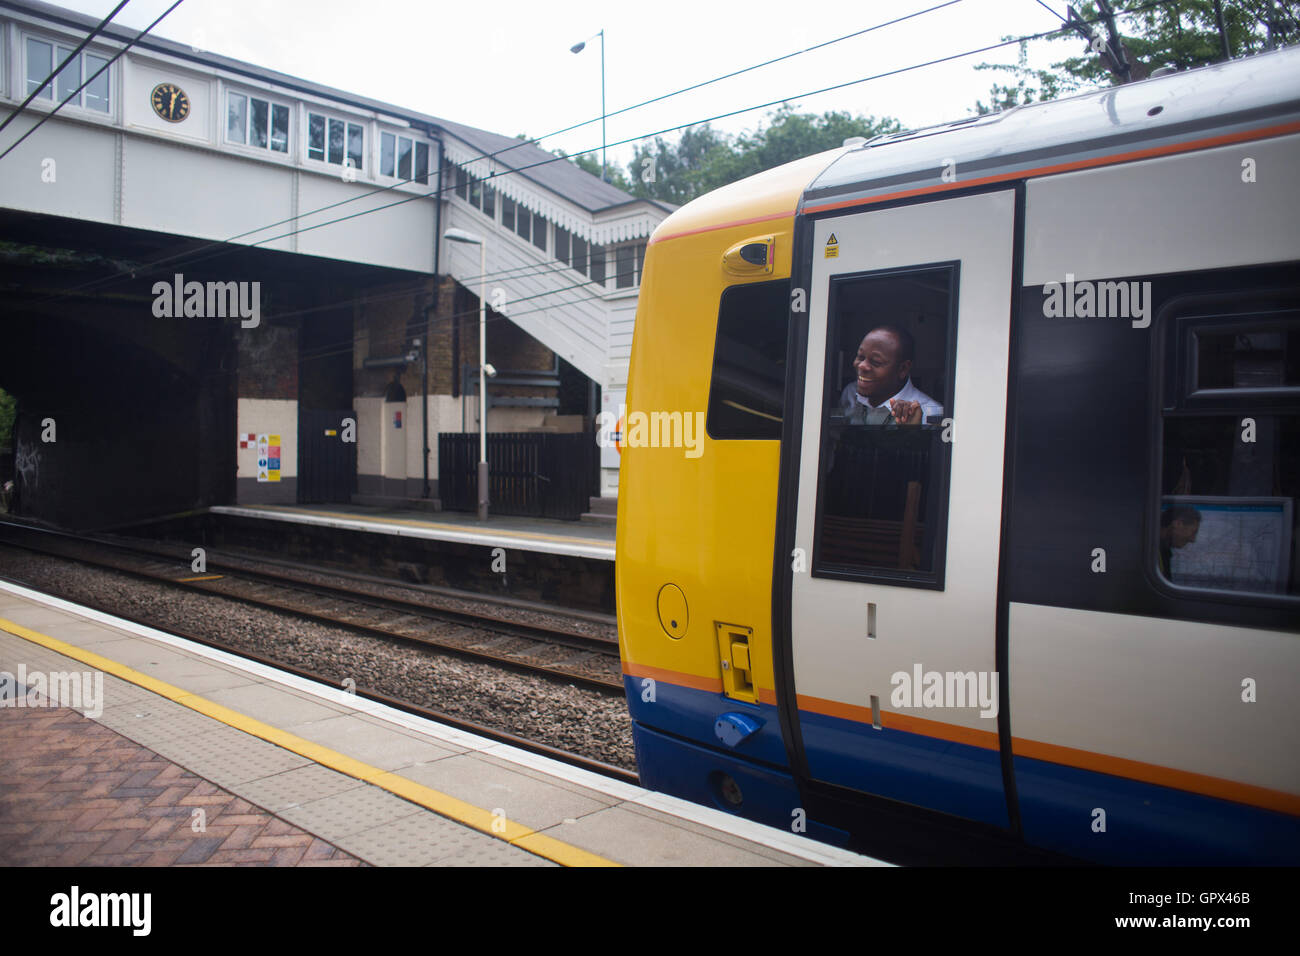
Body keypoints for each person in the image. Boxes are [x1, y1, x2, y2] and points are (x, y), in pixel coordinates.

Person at [838, 325, 942, 425]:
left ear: (903, 369)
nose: (862, 366)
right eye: (860, 357)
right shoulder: (850, 393)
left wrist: (911, 431)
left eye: (876, 362)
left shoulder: (931, 413)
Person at [1158, 505, 1201, 578]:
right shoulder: (1150, 552)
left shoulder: (1162, 550)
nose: (1193, 540)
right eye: (1193, 532)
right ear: (1178, 524)